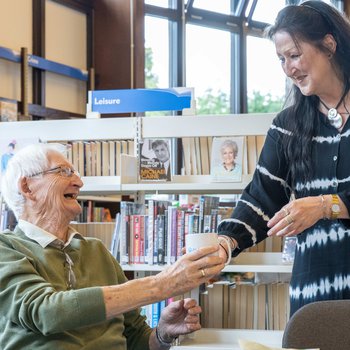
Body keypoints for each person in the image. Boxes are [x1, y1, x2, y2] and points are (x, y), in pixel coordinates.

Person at [0, 143, 225, 349]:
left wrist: (163, 333)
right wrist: (164, 284)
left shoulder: (95, 250)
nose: (79, 181)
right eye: (63, 171)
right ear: (27, 187)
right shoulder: (7, 249)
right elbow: (45, 311)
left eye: (75, 172)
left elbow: (136, 337)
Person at [216, 1, 350, 317]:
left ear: (329, 45)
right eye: (281, 59)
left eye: (294, 55)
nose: (289, 68)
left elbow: (323, 205)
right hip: (314, 298)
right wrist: (225, 242)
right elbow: (261, 198)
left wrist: (324, 206)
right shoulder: (286, 127)